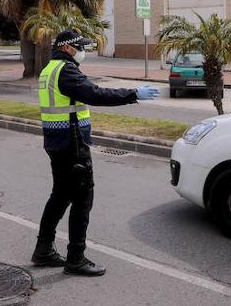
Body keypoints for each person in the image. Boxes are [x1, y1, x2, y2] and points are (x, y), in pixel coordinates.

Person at [31, 29, 159, 276]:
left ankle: (43, 250)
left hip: (57, 142)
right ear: (68, 48)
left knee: (59, 197)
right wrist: (133, 94)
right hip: (72, 146)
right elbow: (95, 94)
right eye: (81, 47)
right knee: (82, 201)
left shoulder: (49, 68)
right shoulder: (66, 70)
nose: (84, 51)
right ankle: (76, 258)